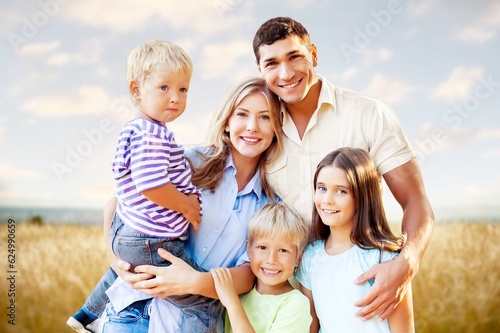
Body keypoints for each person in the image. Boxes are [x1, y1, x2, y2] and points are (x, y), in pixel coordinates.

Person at [252, 16, 434, 321]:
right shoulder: (260, 129)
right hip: (286, 298)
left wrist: (407, 263)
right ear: (260, 70)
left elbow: (415, 201)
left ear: (314, 54)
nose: (285, 73)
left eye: (295, 56)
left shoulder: (367, 114)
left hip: (361, 287)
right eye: (271, 63)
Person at [99, 76, 283, 333]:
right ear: (227, 121)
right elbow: (115, 206)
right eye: (242, 114)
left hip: (195, 321)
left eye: (265, 117)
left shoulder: (269, 204)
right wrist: (118, 262)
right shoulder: (189, 162)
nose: (252, 126)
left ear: (277, 127)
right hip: (134, 311)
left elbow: (249, 273)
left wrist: (196, 283)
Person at [67, 39, 216, 333]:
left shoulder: (136, 128)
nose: (175, 97)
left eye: (183, 89)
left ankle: (87, 314)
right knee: (204, 302)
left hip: (128, 230)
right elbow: (151, 185)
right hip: (152, 239)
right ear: (136, 90)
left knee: (126, 270)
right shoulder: (152, 134)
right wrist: (186, 205)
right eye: (164, 88)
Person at [296, 147, 414, 332]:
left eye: (341, 191)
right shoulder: (310, 258)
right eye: (322, 188)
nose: (327, 199)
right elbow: (310, 326)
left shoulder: (384, 259)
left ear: (362, 196)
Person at [211, 202, 311, 333]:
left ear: (298, 258)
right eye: (263, 248)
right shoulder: (241, 291)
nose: (271, 260)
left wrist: (231, 302)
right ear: (249, 250)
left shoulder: (296, 304)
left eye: (283, 251)